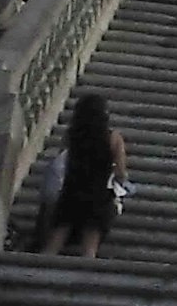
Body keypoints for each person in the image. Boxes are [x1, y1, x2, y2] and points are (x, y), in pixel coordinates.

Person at [44, 93, 127, 259]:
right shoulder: (113, 138)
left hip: (71, 191)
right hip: (98, 196)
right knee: (89, 248)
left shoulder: (72, 135)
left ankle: (34, 272)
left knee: (55, 241)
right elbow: (120, 173)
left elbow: (62, 161)